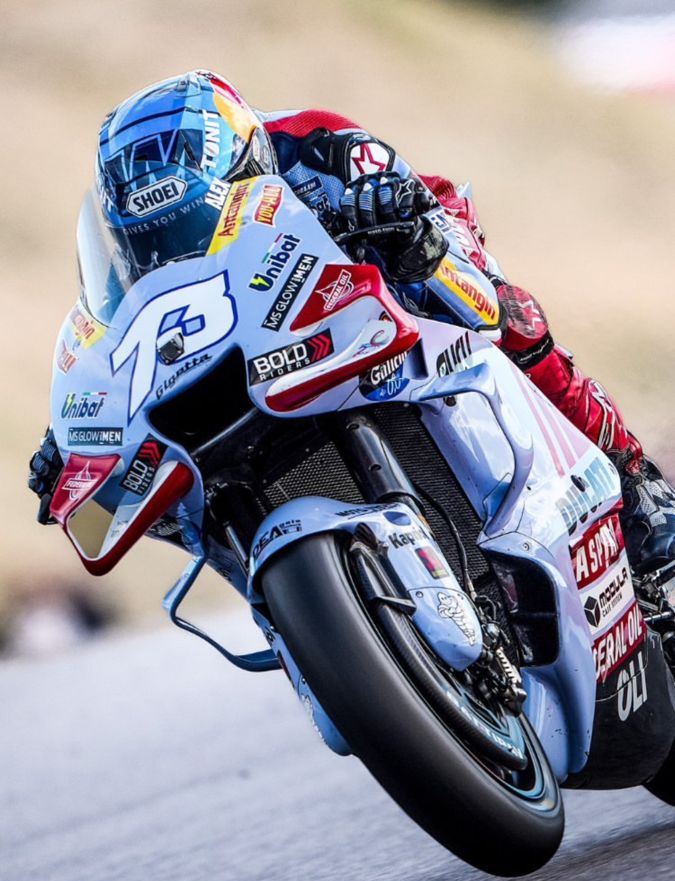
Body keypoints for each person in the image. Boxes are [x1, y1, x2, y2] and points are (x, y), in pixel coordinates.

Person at [29, 70, 675, 572]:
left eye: (189, 225)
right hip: (255, 352)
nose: (174, 246)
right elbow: (122, 341)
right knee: (170, 485)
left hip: (376, 278)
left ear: (240, 163)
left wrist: (392, 217)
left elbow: (411, 199)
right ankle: (295, 619)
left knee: (493, 303)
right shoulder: (129, 264)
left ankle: (633, 476)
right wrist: (79, 442)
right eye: (157, 240)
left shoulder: (315, 144)